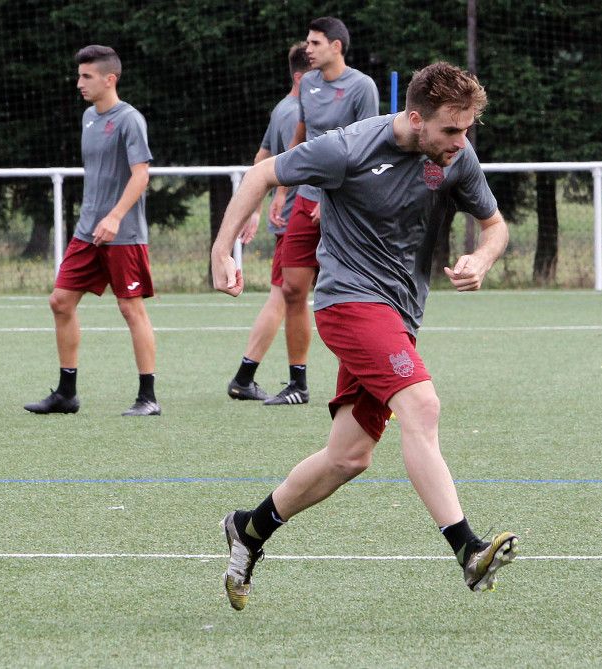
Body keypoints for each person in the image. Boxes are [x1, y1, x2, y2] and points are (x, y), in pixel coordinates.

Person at [210, 61, 518, 610]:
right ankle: (468, 549)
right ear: (416, 118)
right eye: (451, 130)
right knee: (422, 406)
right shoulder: (348, 148)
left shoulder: (455, 157)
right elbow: (260, 176)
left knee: (348, 456)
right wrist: (221, 250)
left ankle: (248, 529)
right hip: (349, 303)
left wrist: (483, 257)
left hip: (398, 316)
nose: (461, 142)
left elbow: (496, 225)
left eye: (468, 129)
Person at [25, 45, 159, 417]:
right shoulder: (88, 117)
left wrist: (115, 217)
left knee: (130, 308)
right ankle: (66, 394)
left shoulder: (130, 120)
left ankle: (148, 397)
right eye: (79, 75)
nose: (79, 82)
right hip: (87, 231)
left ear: (108, 79)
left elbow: (141, 175)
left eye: (86, 76)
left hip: (124, 234)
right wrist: (97, 218)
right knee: (60, 302)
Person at [264, 16, 379, 406]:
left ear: (336, 46)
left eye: (314, 43)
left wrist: (335, 197)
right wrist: (283, 190)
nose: (307, 49)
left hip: (344, 203)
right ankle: (298, 383)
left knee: (353, 293)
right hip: (306, 199)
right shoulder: (308, 84)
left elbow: (367, 148)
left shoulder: (362, 86)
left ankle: (373, 380)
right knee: (293, 288)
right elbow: (301, 137)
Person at [227, 42, 312, 402]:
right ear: (300, 76)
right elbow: (280, 159)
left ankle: (247, 376)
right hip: (298, 215)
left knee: (290, 297)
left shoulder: (281, 108)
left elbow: (262, 157)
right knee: (283, 298)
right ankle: (245, 377)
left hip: (290, 214)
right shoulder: (297, 112)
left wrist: (256, 208)